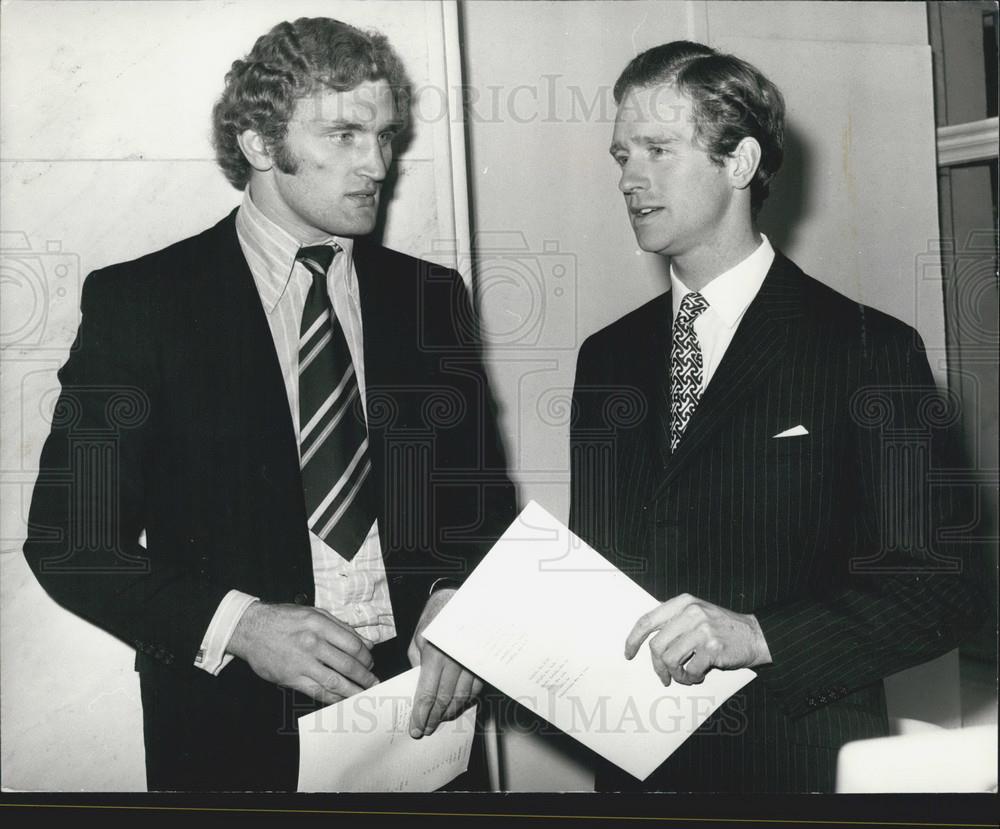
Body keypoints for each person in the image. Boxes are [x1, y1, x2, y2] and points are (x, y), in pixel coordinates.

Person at [23, 17, 516, 792]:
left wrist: (458, 602)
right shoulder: (144, 304)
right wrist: (242, 625)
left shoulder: (429, 297)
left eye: (385, 136)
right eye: (344, 135)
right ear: (259, 143)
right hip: (232, 733)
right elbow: (69, 541)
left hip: (424, 720)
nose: (377, 165)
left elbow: (482, 507)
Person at [569, 40, 985, 792]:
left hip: (794, 766)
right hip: (634, 772)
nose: (629, 177)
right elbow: (597, 572)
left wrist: (758, 636)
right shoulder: (606, 357)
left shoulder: (868, 348)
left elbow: (942, 589)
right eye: (622, 155)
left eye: (658, 149)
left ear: (740, 161)